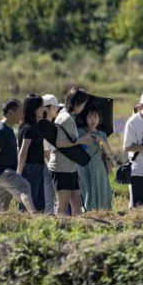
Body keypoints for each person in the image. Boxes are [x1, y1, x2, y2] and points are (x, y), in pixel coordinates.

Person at [0, 99, 36, 213]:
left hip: (5, 172)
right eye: (20, 111)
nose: (22, 115)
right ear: (11, 113)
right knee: (24, 186)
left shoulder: (7, 130)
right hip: (3, 173)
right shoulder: (0, 131)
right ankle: (35, 216)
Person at [49, 86, 97, 216]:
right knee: (63, 204)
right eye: (82, 105)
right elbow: (59, 143)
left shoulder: (68, 116)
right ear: (76, 103)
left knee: (77, 201)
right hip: (61, 168)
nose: (83, 108)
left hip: (70, 167)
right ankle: (59, 229)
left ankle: (78, 226)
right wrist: (81, 141)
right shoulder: (66, 118)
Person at [77, 104, 114, 211]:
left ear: (99, 119)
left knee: (101, 190)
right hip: (83, 166)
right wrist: (83, 138)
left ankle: (103, 212)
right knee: (86, 190)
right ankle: (87, 212)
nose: (93, 120)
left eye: (96, 117)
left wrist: (101, 141)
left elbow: (108, 152)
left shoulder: (101, 133)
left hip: (98, 167)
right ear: (85, 118)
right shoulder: (79, 131)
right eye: (90, 117)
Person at [16, 94, 49, 213]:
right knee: (31, 201)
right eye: (41, 107)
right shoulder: (29, 128)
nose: (43, 109)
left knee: (39, 201)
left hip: (37, 166)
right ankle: (27, 221)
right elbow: (23, 151)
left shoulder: (25, 125)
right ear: (34, 109)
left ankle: (38, 223)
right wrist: (18, 173)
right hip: (31, 167)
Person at [39, 94, 61, 215]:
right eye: (55, 107)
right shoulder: (43, 127)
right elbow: (46, 152)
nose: (57, 109)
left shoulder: (53, 126)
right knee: (49, 202)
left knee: (54, 201)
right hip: (48, 168)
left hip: (52, 166)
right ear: (46, 108)